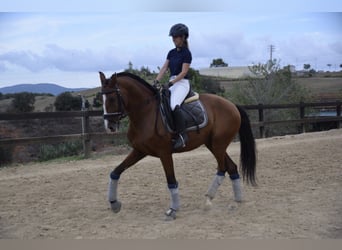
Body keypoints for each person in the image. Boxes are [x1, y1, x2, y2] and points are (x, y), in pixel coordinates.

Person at [154, 23, 192, 150]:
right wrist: (156, 81)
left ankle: (182, 135)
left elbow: (184, 72)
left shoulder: (187, 53)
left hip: (181, 83)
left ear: (183, 37)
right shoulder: (171, 53)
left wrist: (171, 83)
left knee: (173, 104)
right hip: (172, 82)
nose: (173, 39)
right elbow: (164, 68)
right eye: (173, 37)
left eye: (175, 37)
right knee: (159, 102)